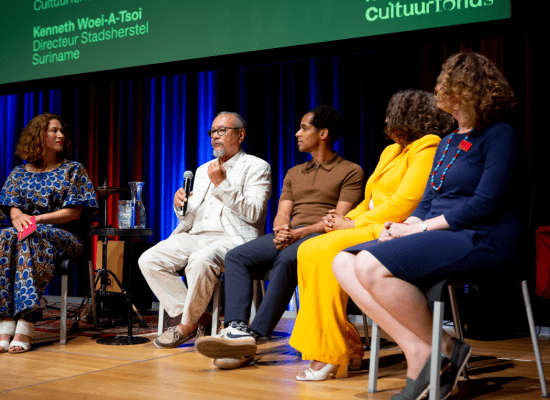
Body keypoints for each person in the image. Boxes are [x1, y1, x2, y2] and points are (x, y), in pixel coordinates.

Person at [333, 52, 520, 400]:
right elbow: (429, 201)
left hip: (483, 237)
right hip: (441, 232)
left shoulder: (500, 135)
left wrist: (418, 230)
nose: (437, 89)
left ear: (467, 89)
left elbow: (484, 204)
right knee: (342, 262)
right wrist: (402, 225)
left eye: (445, 82)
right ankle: (435, 348)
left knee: (370, 264)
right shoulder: (448, 141)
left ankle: (427, 357)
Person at [289, 90, 454, 381]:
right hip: (368, 223)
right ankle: (337, 345)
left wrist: (351, 226)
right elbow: (370, 199)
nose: (386, 119)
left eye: (393, 113)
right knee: (308, 249)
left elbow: (404, 203)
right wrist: (345, 218)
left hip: (397, 228)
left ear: (408, 116)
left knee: (326, 249)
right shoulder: (390, 151)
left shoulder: (428, 146)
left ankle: (330, 354)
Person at [194, 105, 365, 369]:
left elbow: (336, 221)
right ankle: (236, 328)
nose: (297, 133)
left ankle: (253, 337)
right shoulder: (295, 173)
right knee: (236, 256)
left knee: (286, 259)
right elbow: (283, 212)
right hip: (293, 234)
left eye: (304, 128)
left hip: (320, 237)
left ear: (323, 134)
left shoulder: (350, 171)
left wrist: (299, 233)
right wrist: (282, 228)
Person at [139, 111, 272, 348]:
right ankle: (201, 318)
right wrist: (180, 205)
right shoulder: (203, 170)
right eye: (212, 132)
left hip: (234, 239)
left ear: (240, 135)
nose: (215, 137)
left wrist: (222, 184)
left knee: (200, 261)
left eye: (222, 131)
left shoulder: (257, 167)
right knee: (149, 259)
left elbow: (254, 213)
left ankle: (186, 326)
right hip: (196, 235)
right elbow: (192, 215)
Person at [0, 113, 98, 354]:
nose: (61, 135)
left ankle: (26, 322)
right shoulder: (19, 173)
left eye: (61, 131)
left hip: (67, 237)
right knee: (4, 236)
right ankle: (6, 319)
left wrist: (35, 220)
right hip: (27, 236)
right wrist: (16, 216)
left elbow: (75, 212)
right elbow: (10, 203)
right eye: (54, 131)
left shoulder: (72, 169)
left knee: (31, 235)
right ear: (38, 136)